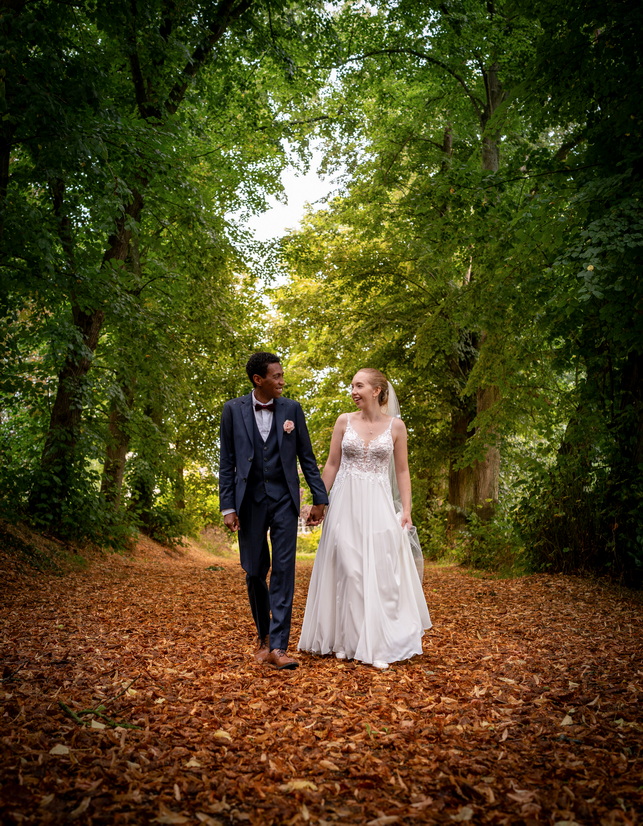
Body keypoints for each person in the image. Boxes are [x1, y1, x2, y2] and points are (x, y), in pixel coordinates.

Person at [298, 368, 431, 670]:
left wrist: (406, 509)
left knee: (378, 571)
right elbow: (331, 465)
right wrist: (318, 501)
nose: (353, 391)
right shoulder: (344, 421)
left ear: (377, 390)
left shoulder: (396, 427)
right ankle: (349, 640)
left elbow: (402, 471)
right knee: (350, 569)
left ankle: (374, 641)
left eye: (359, 385)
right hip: (345, 502)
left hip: (379, 504)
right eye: (352, 386)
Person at [219, 352, 328, 670]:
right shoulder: (232, 410)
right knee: (254, 571)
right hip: (248, 501)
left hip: (284, 500)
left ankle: (279, 646)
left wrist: (319, 499)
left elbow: (306, 456)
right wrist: (228, 506)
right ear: (258, 380)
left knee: (283, 570)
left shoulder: (292, 409)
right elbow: (227, 461)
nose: (282, 381)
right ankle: (264, 636)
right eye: (276, 376)